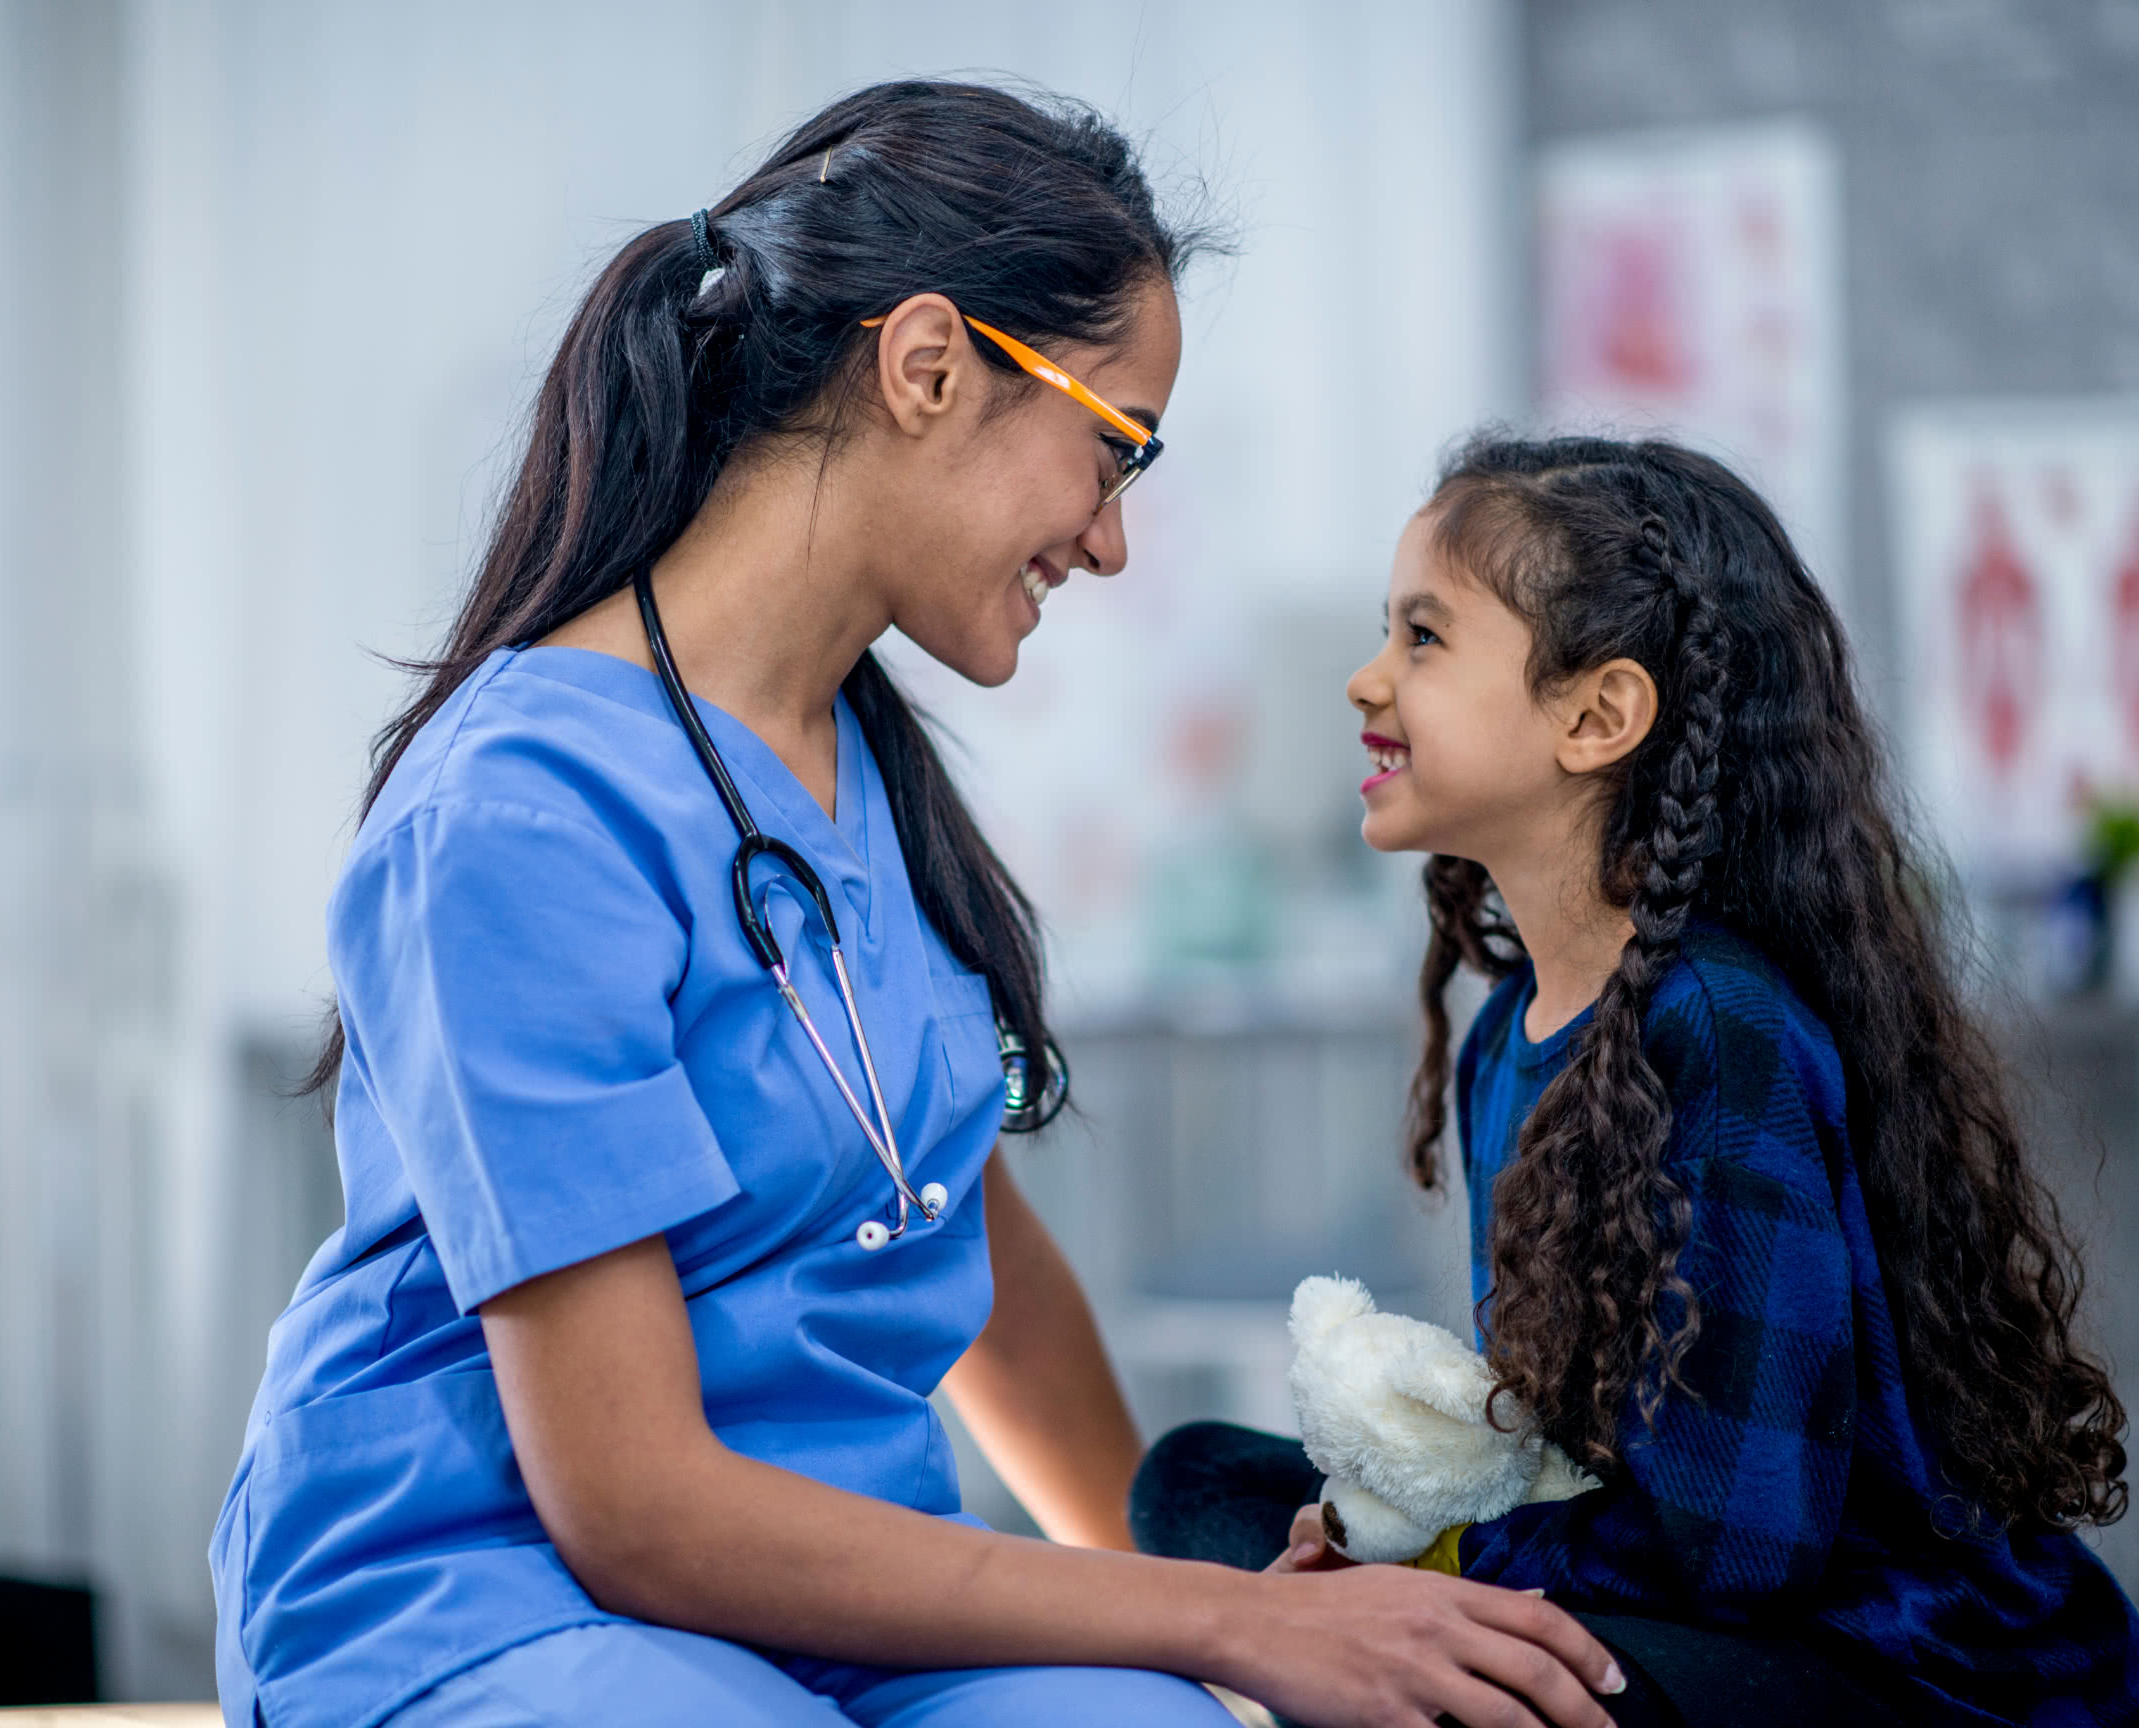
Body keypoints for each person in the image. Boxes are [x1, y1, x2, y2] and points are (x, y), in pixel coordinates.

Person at [211, 84, 1634, 1728]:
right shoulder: (523, 817)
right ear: (930, 365)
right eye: (1110, 453)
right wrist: (1208, 1623)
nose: (1110, 542)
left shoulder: (866, 776)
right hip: (490, 1589)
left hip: (841, 1592)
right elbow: (636, 1508)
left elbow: (963, 1240)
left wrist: (1246, 1629)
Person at [1131, 435, 2139, 1727]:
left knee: (1448, 1675)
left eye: (1424, 639)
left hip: (1875, 1652)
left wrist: (1427, 1567)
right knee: (1193, 1482)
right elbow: (1558, 1448)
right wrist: (1363, 1543)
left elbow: (1745, 1549)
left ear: (1598, 715)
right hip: (1664, 1581)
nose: (1366, 680)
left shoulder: (1716, 1031)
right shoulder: (1509, 1029)